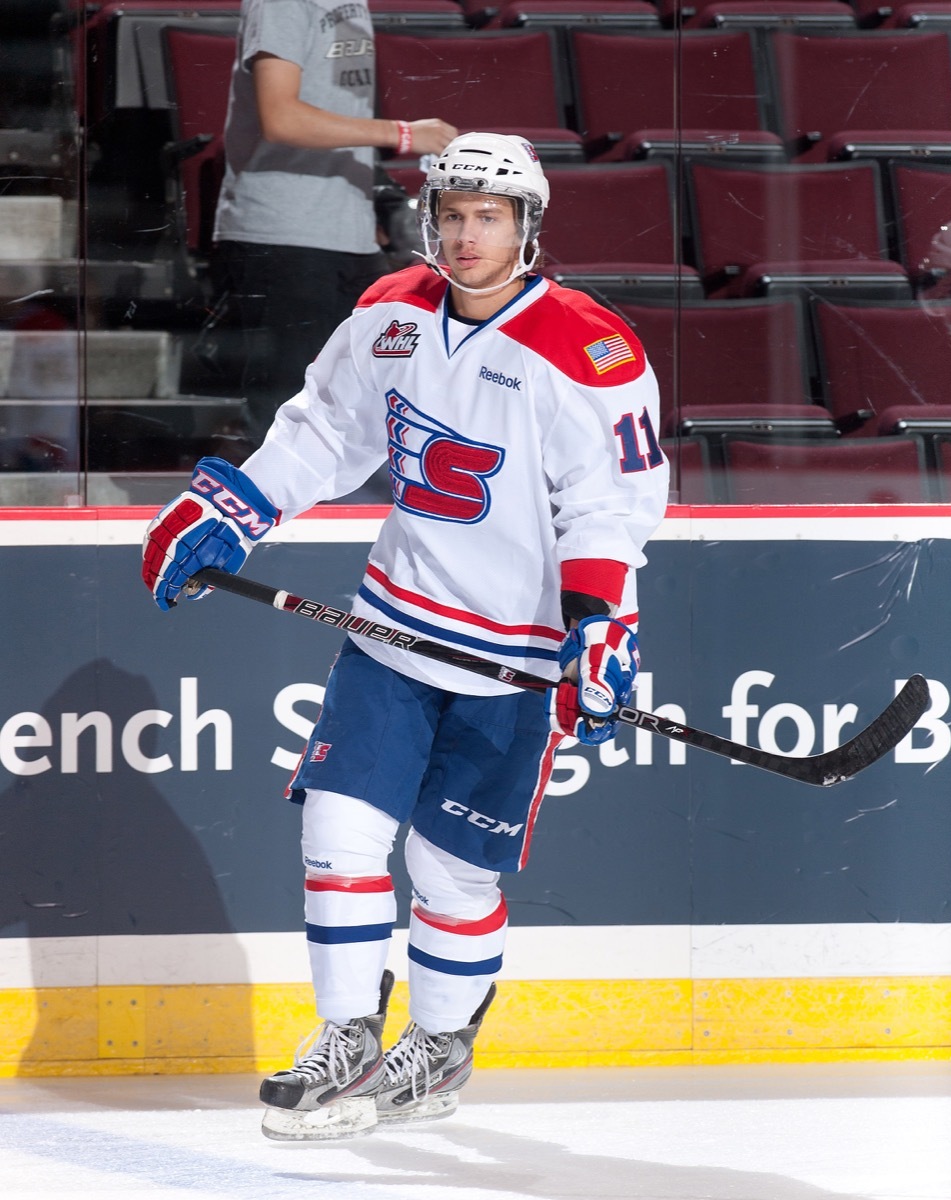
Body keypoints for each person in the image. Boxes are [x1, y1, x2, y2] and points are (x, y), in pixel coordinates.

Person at [142, 132, 670, 1140]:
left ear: (527, 227)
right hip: (391, 628)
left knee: (447, 871)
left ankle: (435, 1044)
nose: (465, 234)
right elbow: (323, 433)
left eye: (488, 216)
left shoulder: (587, 348)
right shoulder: (387, 313)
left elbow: (608, 507)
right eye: (452, 213)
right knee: (336, 835)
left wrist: (601, 624)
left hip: (509, 658)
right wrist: (236, 508)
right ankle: (345, 1031)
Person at [211, 0, 457, 441]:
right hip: (284, 233)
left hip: (349, 236)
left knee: (357, 409)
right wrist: (401, 133)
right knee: (287, 419)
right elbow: (280, 116)